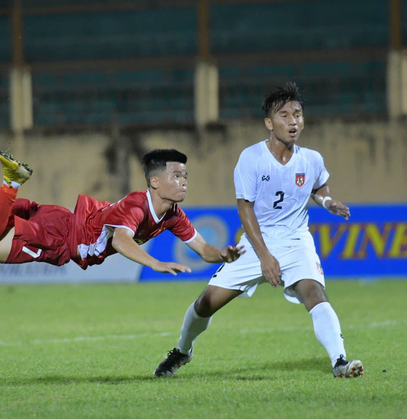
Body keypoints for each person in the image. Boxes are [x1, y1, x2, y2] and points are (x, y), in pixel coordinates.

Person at [154, 82, 363, 379]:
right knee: (206, 303)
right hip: (255, 245)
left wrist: (327, 201)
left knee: (315, 293)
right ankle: (182, 351)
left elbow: (319, 186)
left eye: (298, 114)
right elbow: (245, 209)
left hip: (295, 242)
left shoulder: (311, 159)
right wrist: (265, 257)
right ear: (269, 123)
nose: (293, 121)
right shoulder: (251, 158)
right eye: (285, 115)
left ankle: (339, 361)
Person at [0, 148, 244, 275]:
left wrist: (223, 255)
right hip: (59, 239)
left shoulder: (173, 216)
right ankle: (11, 183)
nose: (184, 181)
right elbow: (121, 239)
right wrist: (154, 263)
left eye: (185, 175)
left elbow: (202, 249)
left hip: (60, 219)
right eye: (176, 175)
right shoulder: (138, 204)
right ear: (154, 182)